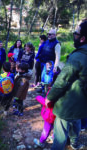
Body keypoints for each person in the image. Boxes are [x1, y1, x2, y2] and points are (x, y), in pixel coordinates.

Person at [45, 20, 87, 150]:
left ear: (83, 38)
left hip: (68, 104)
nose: (74, 35)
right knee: (76, 123)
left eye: (76, 33)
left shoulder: (79, 56)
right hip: (82, 104)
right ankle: (74, 144)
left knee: (60, 134)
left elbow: (62, 81)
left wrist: (50, 97)